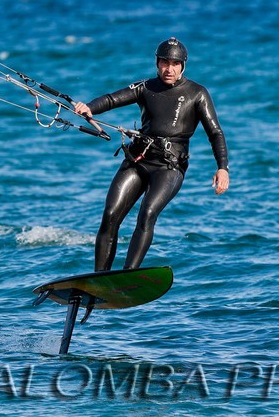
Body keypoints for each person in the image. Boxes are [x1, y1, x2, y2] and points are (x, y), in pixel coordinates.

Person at [72, 37, 230, 271]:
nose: (169, 68)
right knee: (110, 215)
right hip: (137, 160)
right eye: (164, 62)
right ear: (157, 64)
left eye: (175, 63)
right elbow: (112, 99)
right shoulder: (146, 87)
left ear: (182, 65)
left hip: (169, 167)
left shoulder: (197, 93)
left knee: (147, 214)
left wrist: (222, 167)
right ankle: (100, 278)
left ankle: (128, 274)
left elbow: (215, 133)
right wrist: (89, 108)